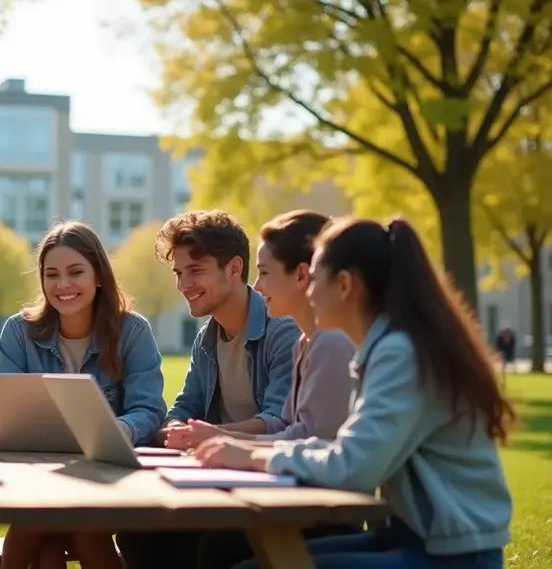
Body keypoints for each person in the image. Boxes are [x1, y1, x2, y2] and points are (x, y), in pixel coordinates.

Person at [196, 217, 514, 569]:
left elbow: (354, 467)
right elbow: (342, 447)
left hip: (454, 554)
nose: (310, 292)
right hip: (413, 537)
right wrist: (246, 451)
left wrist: (254, 456)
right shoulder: (385, 347)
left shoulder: (399, 354)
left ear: (345, 285)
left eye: (315, 280)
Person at [115, 210, 299, 569]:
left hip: (275, 487)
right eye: (179, 274)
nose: (184, 284)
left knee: (216, 547)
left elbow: (280, 420)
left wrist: (213, 436)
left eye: (195, 271)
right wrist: (173, 430)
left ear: (233, 268)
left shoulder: (283, 329)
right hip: (222, 483)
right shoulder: (207, 338)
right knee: (137, 532)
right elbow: (186, 406)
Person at [0, 220, 167, 569]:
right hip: (38, 473)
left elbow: (148, 409)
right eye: (51, 274)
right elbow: (6, 416)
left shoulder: (132, 332)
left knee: (73, 527)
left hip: (105, 473)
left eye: (75, 272)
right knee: (44, 536)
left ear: (98, 275)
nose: (62, 285)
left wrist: (117, 429)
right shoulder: (18, 332)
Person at [192, 210, 358, 569]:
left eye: (265, 273)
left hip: (323, 510)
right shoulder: (305, 342)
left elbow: (313, 438)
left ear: (302, 275)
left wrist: (237, 449)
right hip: (295, 496)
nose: (259, 286)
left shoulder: (331, 343)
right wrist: (230, 447)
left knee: (219, 548)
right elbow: (287, 429)